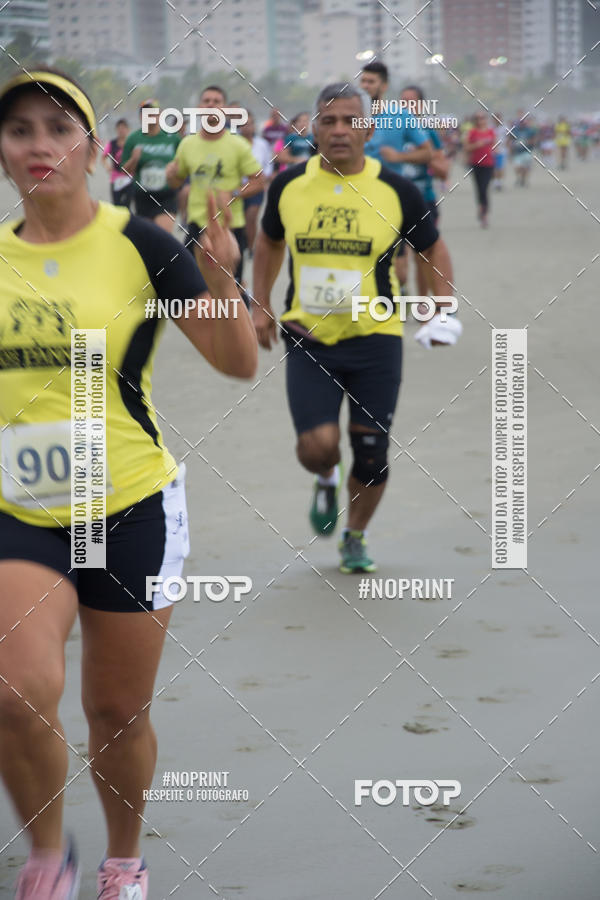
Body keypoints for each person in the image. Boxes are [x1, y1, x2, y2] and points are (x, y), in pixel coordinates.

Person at [0, 66, 257, 900]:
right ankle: (48, 856)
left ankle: (122, 858)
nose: (40, 146)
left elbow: (236, 362)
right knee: (16, 689)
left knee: (116, 714)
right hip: (20, 512)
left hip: (130, 506)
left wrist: (219, 278)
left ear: (93, 147)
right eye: (19, 131)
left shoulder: (143, 245)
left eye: (58, 127)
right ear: (2, 153)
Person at [252, 83, 459, 574]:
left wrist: (441, 306)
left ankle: (354, 535)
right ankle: (325, 478)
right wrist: (260, 305)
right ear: (313, 129)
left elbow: (432, 247)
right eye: (328, 121)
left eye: (349, 121)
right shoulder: (288, 185)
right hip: (309, 334)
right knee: (317, 446)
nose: (339, 130)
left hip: (377, 338)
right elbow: (267, 243)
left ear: (366, 128)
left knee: (371, 453)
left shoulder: (396, 189)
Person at [165, 85, 265, 301]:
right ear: (199, 108)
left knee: (231, 289)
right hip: (197, 225)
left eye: (217, 101)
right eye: (206, 101)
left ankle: (242, 328)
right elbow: (176, 181)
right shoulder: (187, 144)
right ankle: (208, 330)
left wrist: (236, 193)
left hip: (230, 226)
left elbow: (259, 180)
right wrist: (171, 174)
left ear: (224, 110)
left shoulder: (237, 145)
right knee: (187, 285)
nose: (211, 105)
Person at [360, 62, 432, 291]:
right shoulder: (351, 116)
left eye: (370, 81)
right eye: (362, 81)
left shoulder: (400, 115)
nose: (365, 86)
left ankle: (398, 290)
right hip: (357, 197)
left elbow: (427, 152)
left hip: (391, 200)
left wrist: (398, 157)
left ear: (384, 85)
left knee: (400, 273)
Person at [398, 84, 450, 294]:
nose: (406, 106)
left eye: (411, 102)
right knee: (398, 266)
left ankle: (422, 303)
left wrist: (425, 157)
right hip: (394, 202)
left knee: (422, 255)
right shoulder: (390, 130)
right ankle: (400, 289)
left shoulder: (427, 132)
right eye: (402, 102)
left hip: (423, 201)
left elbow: (443, 171)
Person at [120, 98, 181, 232]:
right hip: (143, 196)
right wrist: (134, 159)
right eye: (146, 113)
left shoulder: (172, 137)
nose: (150, 116)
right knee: (148, 239)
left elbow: (183, 163)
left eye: (153, 112)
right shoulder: (134, 138)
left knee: (163, 236)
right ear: (141, 117)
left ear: (161, 114)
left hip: (166, 195)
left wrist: (176, 173)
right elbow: (124, 170)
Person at [239, 109, 274, 253]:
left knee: (251, 216)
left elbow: (268, 164)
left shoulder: (262, 144)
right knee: (240, 219)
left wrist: (264, 177)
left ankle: (250, 247)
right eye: (244, 124)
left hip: (256, 187)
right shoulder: (235, 143)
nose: (248, 127)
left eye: (250, 124)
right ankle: (240, 244)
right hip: (239, 186)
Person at [465, 111, 496, 227]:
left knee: (484, 188)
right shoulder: (472, 132)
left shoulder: (491, 132)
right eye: (478, 118)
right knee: (479, 188)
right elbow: (467, 147)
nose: (480, 120)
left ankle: (484, 214)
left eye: (482, 118)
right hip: (476, 164)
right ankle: (481, 207)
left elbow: (495, 146)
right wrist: (477, 145)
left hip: (488, 164)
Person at [101, 117, 132, 206]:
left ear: (128, 129)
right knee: (117, 205)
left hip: (129, 178)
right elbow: (103, 158)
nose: (121, 131)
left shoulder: (131, 143)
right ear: (116, 130)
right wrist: (107, 167)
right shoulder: (112, 144)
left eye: (123, 128)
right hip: (115, 178)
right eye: (119, 128)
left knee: (127, 205)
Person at [511, 113, 538, 188]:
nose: (522, 123)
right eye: (521, 122)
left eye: (523, 122)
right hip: (517, 152)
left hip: (527, 151)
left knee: (526, 167)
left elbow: (534, 140)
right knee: (517, 167)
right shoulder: (515, 130)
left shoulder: (530, 130)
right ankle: (519, 177)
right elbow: (511, 140)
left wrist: (526, 142)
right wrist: (512, 147)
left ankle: (524, 179)